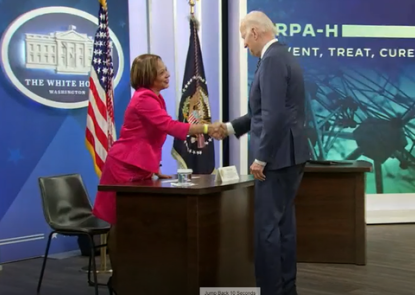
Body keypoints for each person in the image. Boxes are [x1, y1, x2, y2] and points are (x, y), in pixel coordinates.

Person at [92, 53, 221, 294]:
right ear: (149, 76)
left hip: (138, 167)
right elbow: (169, 127)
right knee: (120, 223)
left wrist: (156, 168)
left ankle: (134, 274)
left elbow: (150, 136)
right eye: (162, 72)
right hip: (123, 168)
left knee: (133, 223)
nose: (168, 75)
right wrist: (207, 127)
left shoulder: (155, 98)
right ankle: (119, 279)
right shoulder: (144, 99)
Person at [214, 11, 310, 295]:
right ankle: (285, 289)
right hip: (290, 155)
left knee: (267, 229)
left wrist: (261, 157)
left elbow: (274, 115)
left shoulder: (272, 60)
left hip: (277, 159)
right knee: (283, 226)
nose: (244, 44)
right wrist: (230, 128)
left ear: (255, 32)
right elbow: (260, 112)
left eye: (244, 36)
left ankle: (270, 290)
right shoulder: (280, 56)